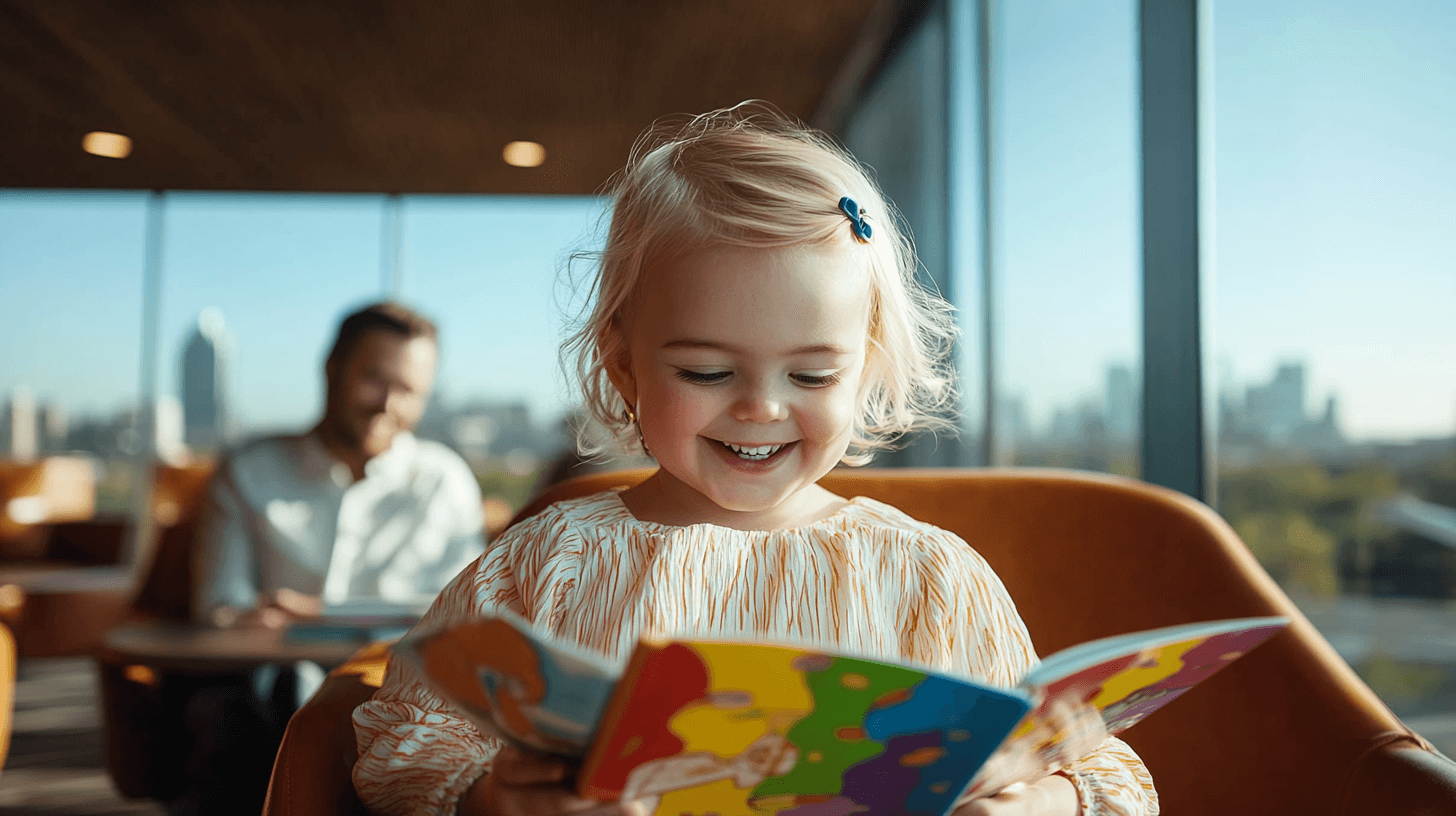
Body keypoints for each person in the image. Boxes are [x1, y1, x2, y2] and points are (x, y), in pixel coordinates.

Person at [352, 105, 1159, 816]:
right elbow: (397, 739)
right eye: (706, 372)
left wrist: (1044, 801)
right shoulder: (549, 558)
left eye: (812, 375)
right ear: (625, 364)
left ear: (868, 367)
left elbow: (1105, 771)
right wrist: (490, 798)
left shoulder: (928, 576)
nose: (762, 409)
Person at [176, 301, 486, 816]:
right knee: (230, 715)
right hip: (262, 686)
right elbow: (218, 606)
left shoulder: (445, 483)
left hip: (402, 691)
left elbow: (465, 618)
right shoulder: (250, 471)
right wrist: (244, 619)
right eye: (373, 378)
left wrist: (314, 613)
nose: (388, 403)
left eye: (408, 389)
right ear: (331, 369)